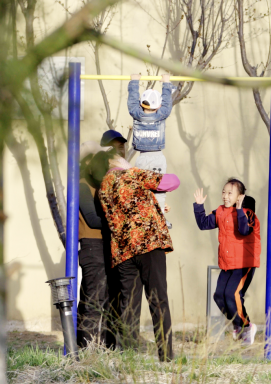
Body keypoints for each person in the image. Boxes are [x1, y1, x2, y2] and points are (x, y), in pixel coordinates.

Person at [97, 149, 180, 362]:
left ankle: (128, 358)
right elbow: (173, 181)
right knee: (158, 300)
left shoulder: (103, 188)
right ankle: (166, 357)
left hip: (123, 251)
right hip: (148, 244)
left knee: (129, 305)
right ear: (116, 161)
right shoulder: (134, 174)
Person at [192, 178, 261, 345]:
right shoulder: (220, 211)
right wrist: (199, 206)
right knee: (219, 297)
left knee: (233, 295)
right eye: (223, 192)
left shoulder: (248, 213)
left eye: (230, 193)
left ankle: (246, 326)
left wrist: (238, 209)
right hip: (227, 263)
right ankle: (238, 325)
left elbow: (244, 230)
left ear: (240, 197)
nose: (225, 196)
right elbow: (203, 224)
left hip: (244, 263)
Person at [76, 141, 112, 348]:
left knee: (103, 299)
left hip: (105, 246)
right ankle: (84, 348)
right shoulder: (83, 185)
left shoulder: (103, 187)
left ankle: (97, 347)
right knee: (93, 299)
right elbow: (91, 218)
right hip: (92, 246)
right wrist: (119, 221)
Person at [128, 73, 174, 229]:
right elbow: (168, 104)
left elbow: (131, 102)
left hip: (141, 158)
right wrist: (166, 83)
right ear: (158, 106)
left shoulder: (136, 113)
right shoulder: (161, 114)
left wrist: (134, 81)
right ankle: (160, 219)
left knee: (141, 190)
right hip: (157, 157)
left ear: (141, 104)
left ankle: (142, 218)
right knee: (158, 190)